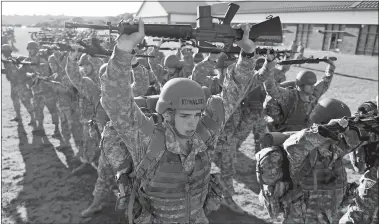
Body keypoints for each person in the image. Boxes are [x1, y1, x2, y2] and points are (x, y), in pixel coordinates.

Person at [100, 17, 269, 223]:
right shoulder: (146, 138)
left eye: (197, 115)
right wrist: (123, 50)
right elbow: (116, 99)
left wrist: (248, 54)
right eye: (185, 116)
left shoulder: (205, 134)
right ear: (168, 115)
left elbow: (234, 92)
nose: (193, 123)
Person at [263, 59, 335, 132]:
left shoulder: (313, 96)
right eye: (309, 85)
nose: (312, 87)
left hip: (302, 135)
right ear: (301, 86)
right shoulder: (288, 95)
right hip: (282, 133)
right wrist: (269, 64)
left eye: (313, 84)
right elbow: (271, 89)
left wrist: (331, 66)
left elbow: (326, 81)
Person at [2, 44, 35, 124]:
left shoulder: (13, 59)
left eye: (4, 52)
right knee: (14, 99)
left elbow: (17, 72)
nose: (3, 54)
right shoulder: (8, 60)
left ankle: (33, 118)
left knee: (25, 101)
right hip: (13, 84)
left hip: (19, 84)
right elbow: (9, 71)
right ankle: (18, 116)